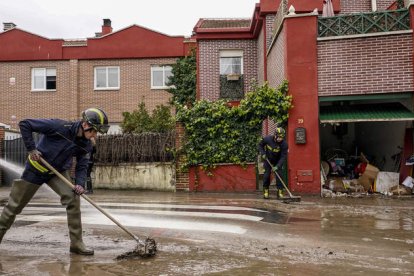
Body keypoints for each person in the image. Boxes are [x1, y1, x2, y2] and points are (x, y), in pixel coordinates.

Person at [0, 108, 109, 255]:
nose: (94, 135)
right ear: (85, 124)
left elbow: (82, 165)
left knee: (73, 199)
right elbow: (25, 124)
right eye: (94, 131)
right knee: (14, 206)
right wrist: (31, 149)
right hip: (35, 170)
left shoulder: (86, 144)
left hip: (56, 173)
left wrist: (80, 184)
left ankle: (76, 244)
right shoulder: (58, 127)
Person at [258, 127, 288, 199]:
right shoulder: (268, 139)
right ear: (275, 135)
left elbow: (283, 157)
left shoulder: (284, 144)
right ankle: (266, 191)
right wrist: (263, 153)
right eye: (279, 137)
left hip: (277, 161)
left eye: (282, 137)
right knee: (266, 175)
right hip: (268, 159)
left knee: (279, 175)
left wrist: (278, 166)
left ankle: (280, 192)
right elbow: (260, 145)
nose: (280, 139)